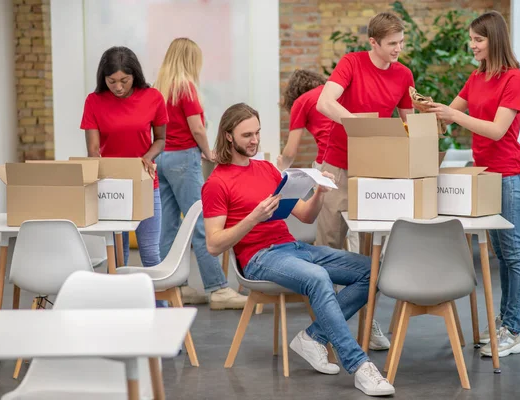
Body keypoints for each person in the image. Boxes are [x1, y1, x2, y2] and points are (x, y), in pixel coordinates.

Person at [202, 103, 395, 397]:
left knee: (373, 271)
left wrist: (319, 192)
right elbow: (214, 245)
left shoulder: (267, 169)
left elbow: (306, 215)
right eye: (246, 135)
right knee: (318, 277)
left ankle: (313, 337)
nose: (254, 140)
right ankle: (359, 366)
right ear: (228, 136)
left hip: (293, 248)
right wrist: (254, 217)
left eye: (257, 133)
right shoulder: (217, 183)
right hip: (258, 257)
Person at [428, 11, 520, 358]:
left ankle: (513, 329)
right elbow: (449, 114)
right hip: (484, 174)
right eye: (471, 39)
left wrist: (453, 115)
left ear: (494, 40)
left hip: (510, 174)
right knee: (500, 254)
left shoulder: (514, 79)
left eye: (478, 40)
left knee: (514, 253)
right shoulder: (476, 78)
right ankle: (506, 321)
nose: (472, 46)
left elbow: (497, 130)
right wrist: (430, 110)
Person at [316, 11, 414, 350]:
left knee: (372, 254)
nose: (398, 49)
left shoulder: (403, 75)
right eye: (391, 44)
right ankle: (324, 328)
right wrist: (359, 123)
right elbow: (325, 102)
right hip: (338, 165)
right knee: (330, 247)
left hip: (375, 169)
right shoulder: (352, 63)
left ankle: (367, 323)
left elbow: (408, 125)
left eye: (401, 42)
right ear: (373, 42)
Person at [153, 38, 246, 310]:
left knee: (168, 226)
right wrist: (209, 152)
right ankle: (218, 289)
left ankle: (174, 287)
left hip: (163, 158)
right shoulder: (186, 88)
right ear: (190, 60)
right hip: (184, 157)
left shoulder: (161, 89)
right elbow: (197, 128)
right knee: (203, 223)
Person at [81, 46, 166, 269]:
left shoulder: (153, 97)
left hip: (145, 182)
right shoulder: (94, 101)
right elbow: (93, 151)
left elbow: (160, 139)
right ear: (103, 78)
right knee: (118, 258)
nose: (118, 87)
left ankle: (161, 305)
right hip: (112, 187)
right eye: (111, 81)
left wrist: (147, 157)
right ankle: (123, 302)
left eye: (124, 80)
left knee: (150, 253)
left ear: (134, 75)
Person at [277, 69, 330, 171]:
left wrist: (281, 167)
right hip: (356, 155)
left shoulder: (301, 102)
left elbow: (290, 153)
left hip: (328, 160)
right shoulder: (333, 92)